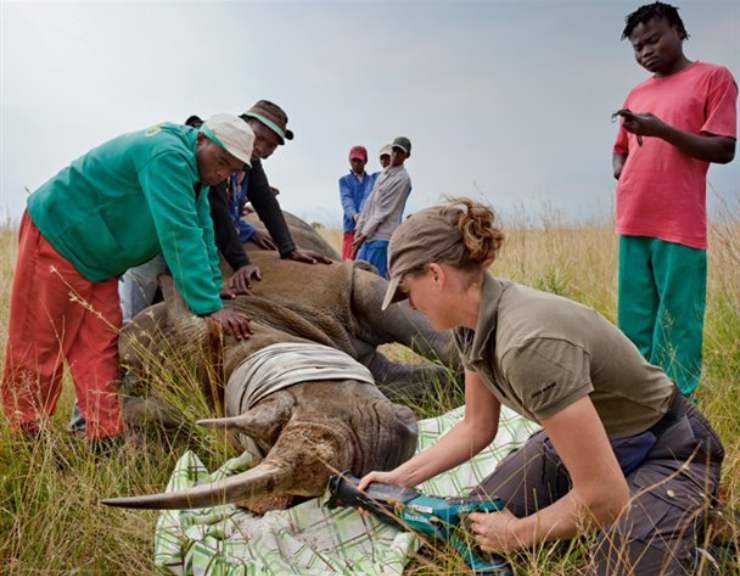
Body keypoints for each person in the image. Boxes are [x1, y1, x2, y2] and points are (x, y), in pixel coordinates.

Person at [359, 199, 724, 575]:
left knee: (619, 562)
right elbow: (477, 426)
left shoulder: (527, 345)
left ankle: (697, 530)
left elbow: (605, 495)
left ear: (436, 274)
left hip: (668, 446)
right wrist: (401, 478)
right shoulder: (472, 324)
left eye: (408, 291)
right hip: (590, 444)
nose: (412, 307)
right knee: (473, 523)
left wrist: (517, 533)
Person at [2, 114, 254, 446]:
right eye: (221, 161)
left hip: (101, 261)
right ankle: (27, 434)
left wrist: (212, 285)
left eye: (232, 169)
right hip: (61, 235)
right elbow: (177, 230)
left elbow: (201, 227)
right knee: (40, 339)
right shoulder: (167, 154)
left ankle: (103, 436)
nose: (222, 173)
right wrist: (208, 306)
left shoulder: (196, 172)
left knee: (101, 344)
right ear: (201, 139)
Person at [612, 2, 736, 396]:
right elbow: (620, 147)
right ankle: (636, 400)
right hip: (632, 216)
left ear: (678, 32)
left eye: (653, 40)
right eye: (637, 46)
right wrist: (621, 167)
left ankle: (679, 407)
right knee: (634, 320)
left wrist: (662, 130)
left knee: (679, 320)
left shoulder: (713, 78)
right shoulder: (637, 92)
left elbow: (723, 148)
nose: (645, 51)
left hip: (679, 222)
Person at [119, 101, 331, 322]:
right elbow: (213, 211)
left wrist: (288, 247)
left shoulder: (246, 157)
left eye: (271, 145)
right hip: (155, 223)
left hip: (191, 225)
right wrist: (233, 273)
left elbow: (262, 200)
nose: (261, 148)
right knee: (142, 278)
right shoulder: (212, 148)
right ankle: (125, 329)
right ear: (244, 123)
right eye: (259, 138)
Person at [352, 137, 413, 277]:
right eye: (394, 150)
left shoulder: (403, 180)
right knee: (357, 277)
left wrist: (362, 235)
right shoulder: (383, 174)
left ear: (407, 156)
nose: (395, 155)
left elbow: (383, 212)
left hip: (381, 238)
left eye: (400, 152)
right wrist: (358, 230)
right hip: (367, 237)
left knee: (373, 282)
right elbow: (369, 203)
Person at [338, 145, 376, 260]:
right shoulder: (344, 181)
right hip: (351, 228)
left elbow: (367, 197)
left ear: (365, 161)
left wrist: (363, 218)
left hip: (367, 230)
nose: (356, 163)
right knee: (349, 260)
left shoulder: (372, 180)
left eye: (359, 160)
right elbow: (346, 199)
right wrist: (354, 216)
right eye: (353, 160)